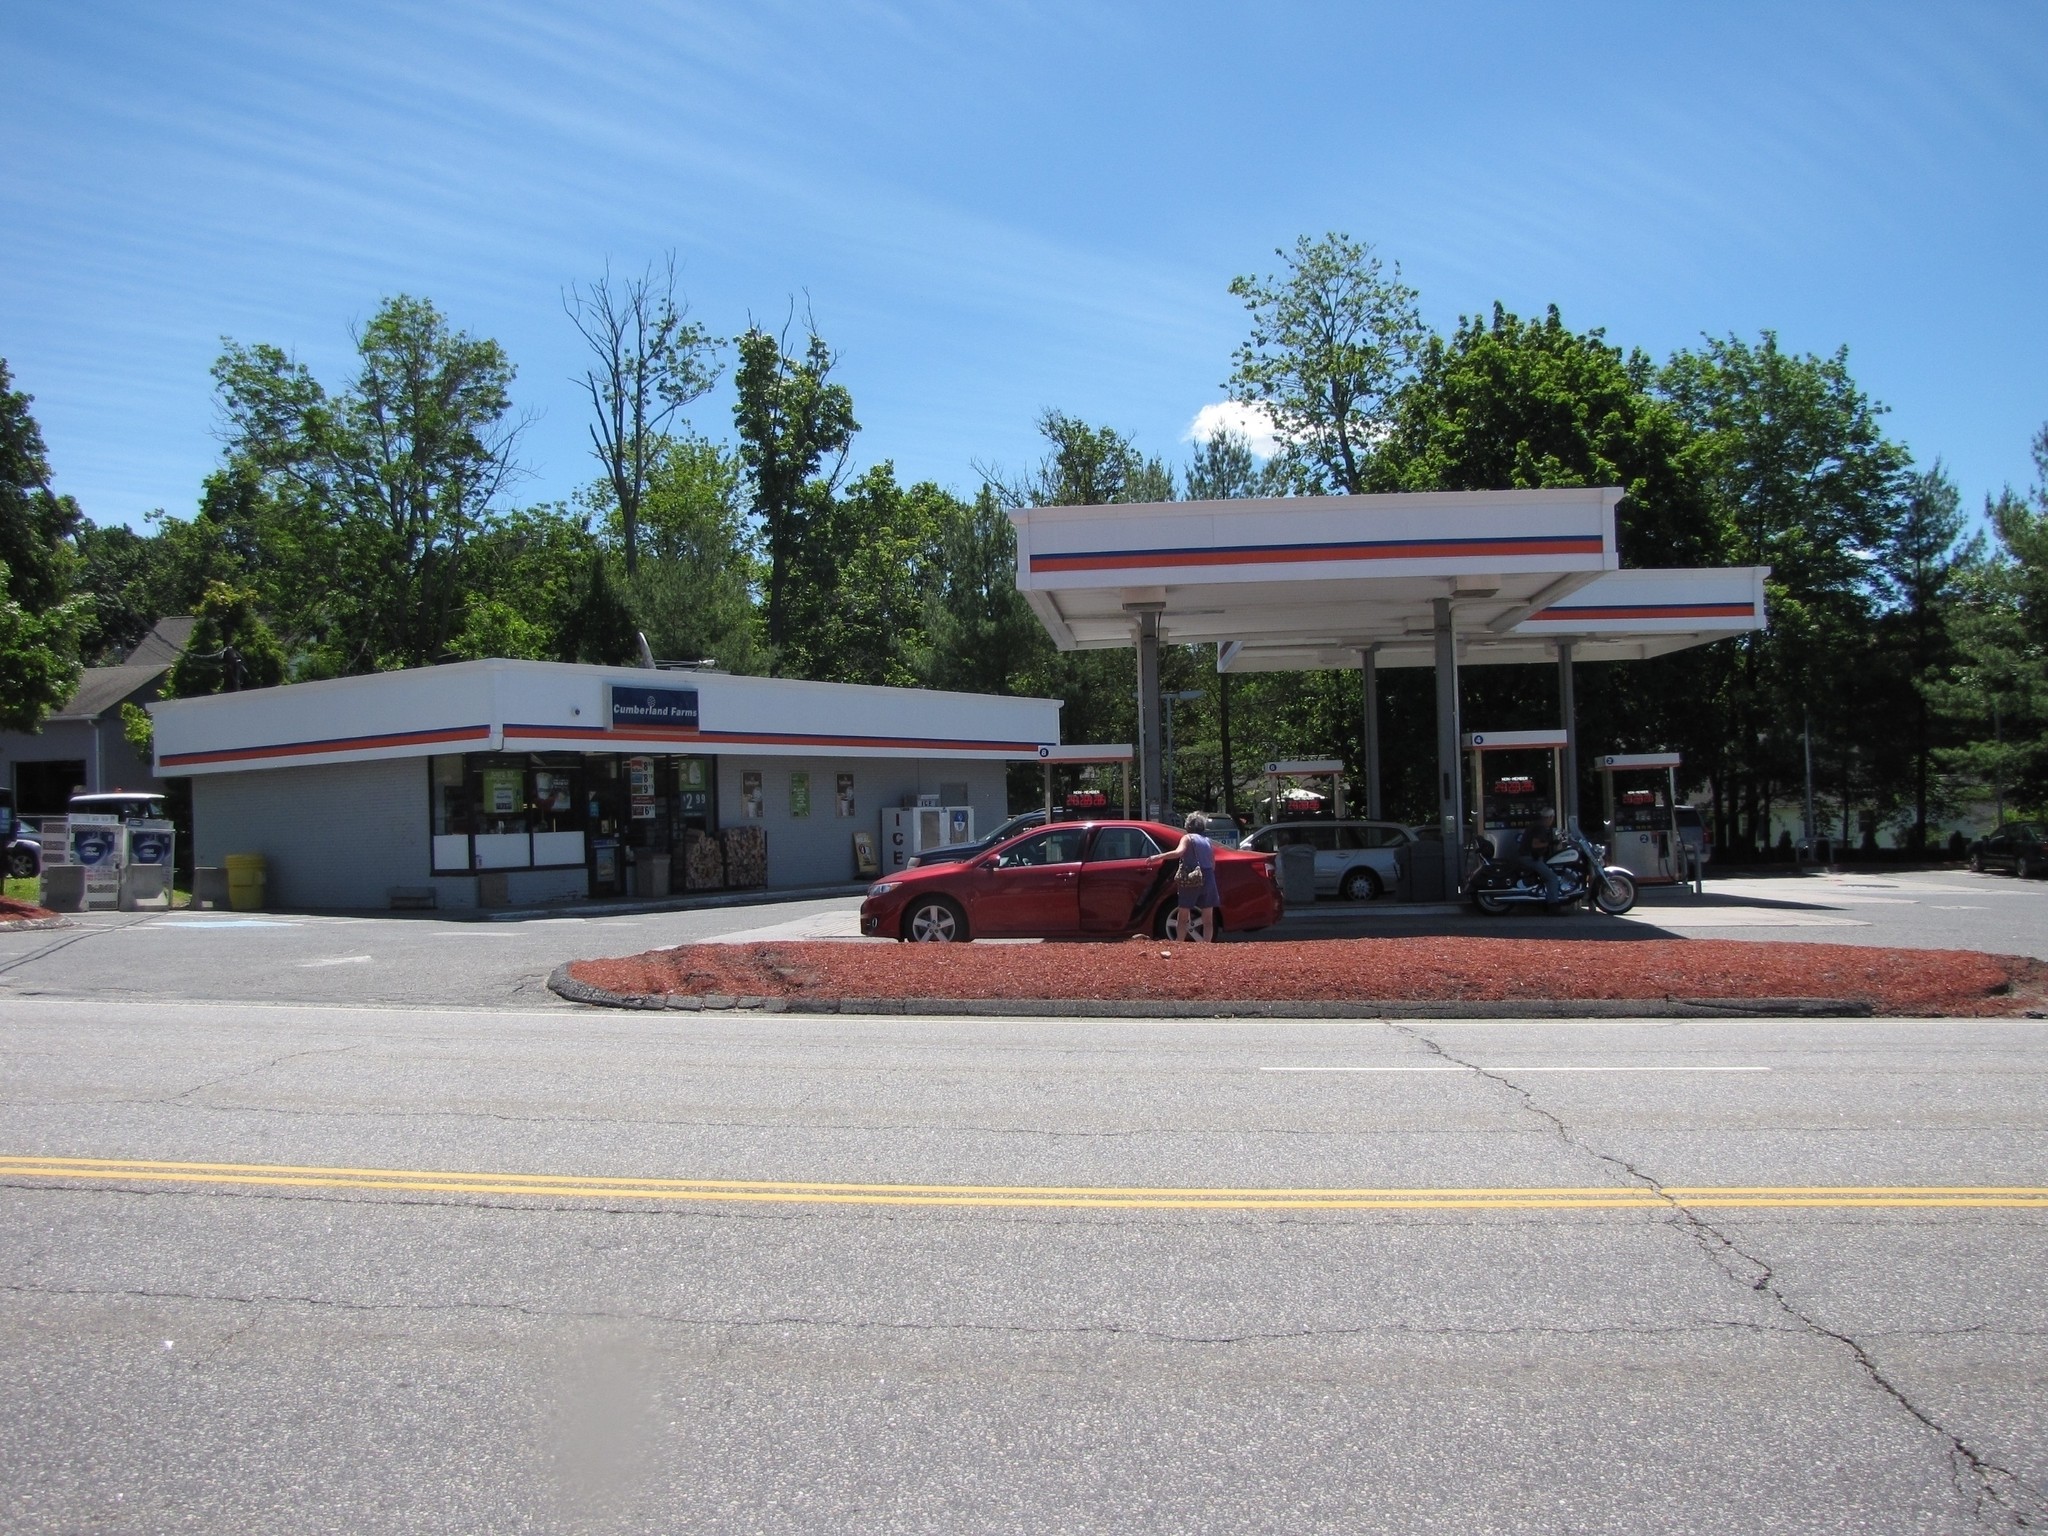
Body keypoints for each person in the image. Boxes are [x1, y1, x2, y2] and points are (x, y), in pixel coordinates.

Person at [1171, 811, 1220, 942]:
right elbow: (1212, 864)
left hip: (1191, 877)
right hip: (1208, 876)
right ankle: (1206, 946)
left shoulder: (1187, 838)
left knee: (1183, 915)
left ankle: (1179, 942)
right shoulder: (1208, 841)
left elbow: (1179, 852)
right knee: (1208, 919)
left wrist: (1158, 857)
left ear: (1187, 826)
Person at [1512, 804, 1565, 906]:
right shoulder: (1540, 827)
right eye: (1552, 817)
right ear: (1549, 817)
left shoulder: (1536, 825)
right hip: (1529, 857)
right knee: (1552, 878)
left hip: (1528, 856)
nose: (1552, 820)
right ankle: (1553, 905)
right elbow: (1535, 844)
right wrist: (1551, 843)